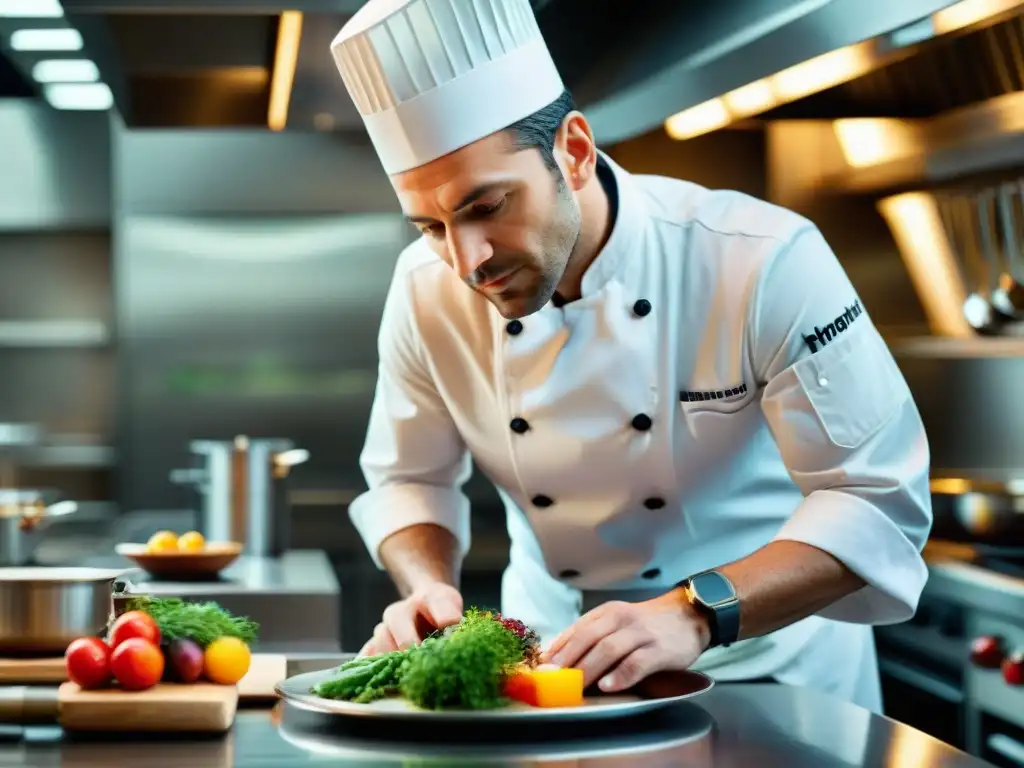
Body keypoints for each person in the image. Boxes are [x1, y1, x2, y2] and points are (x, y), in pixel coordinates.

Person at [329, 0, 933, 713]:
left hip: (773, 671)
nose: (467, 261)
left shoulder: (761, 260)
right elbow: (408, 479)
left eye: (487, 207)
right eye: (431, 226)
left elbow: (876, 500)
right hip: (557, 676)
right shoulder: (423, 289)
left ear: (575, 153)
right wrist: (427, 587)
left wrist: (695, 612)